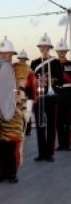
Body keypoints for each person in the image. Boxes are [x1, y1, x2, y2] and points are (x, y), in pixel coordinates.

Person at [0, 37, 35, 184]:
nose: (3, 56)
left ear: (12, 54)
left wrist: (29, 110)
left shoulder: (23, 70)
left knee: (12, 143)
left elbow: (32, 92)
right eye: (1, 54)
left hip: (15, 111)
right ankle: (2, 173)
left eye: (6, 53)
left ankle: (12, 173)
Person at [30, 33, 63, 162]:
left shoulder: (55, 62)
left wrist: (49, 81)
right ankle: (41, 153)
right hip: (39, 97)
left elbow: (60, 79)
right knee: (40, 126)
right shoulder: (34, 63)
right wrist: (38, 81)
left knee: (50, 125)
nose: (44, 48)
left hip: (51, 96)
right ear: (39, 48)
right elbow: (30, 79)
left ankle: (49, 153)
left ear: (49, 47)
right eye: (42, 46)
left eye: (46, 46)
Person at [55, 38, 71, 151]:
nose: (61, 53)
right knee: (59, 121)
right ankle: (61, 144)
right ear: (57, 52)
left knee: (68, 120)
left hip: (68, 94)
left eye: (63, 51)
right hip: (57, 93)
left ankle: (68, 143)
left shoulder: (70, 64)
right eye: (59, 51)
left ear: (66, 52)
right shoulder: (53, 65)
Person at [17, 49, 33, 135]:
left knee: (27, 112)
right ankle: (20, 129)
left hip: (27, 92)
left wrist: (29, 95)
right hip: (18, 93)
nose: (22, 60)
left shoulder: (29, 70)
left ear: (26, 59)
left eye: (23, 59)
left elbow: (31, 84)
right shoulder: (15, 69)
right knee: (18, 112)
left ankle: (27, 130)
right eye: (21, 59)